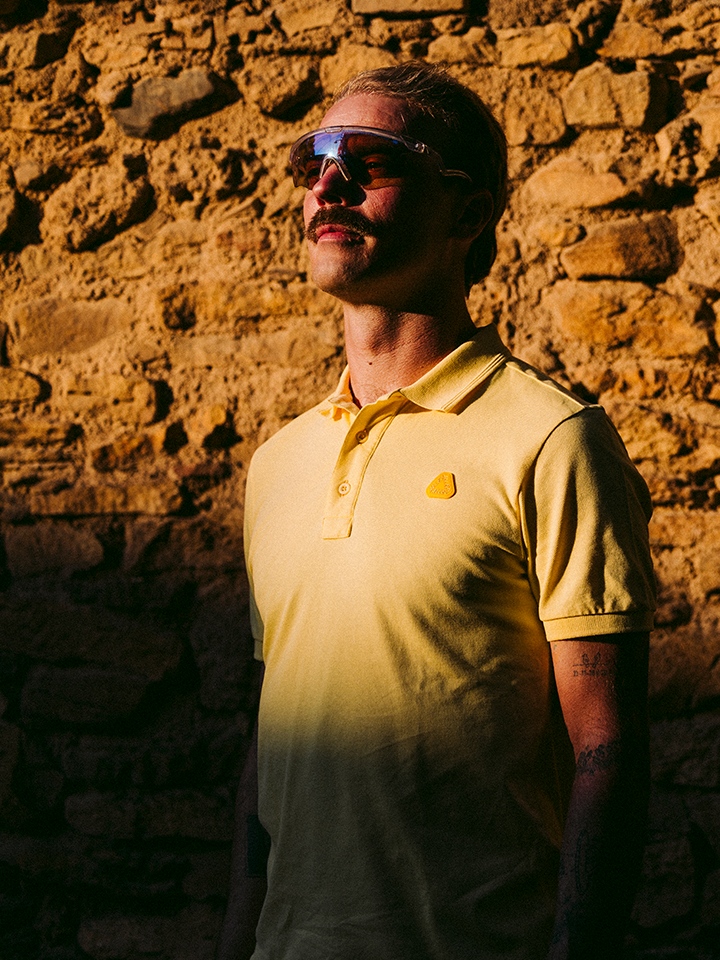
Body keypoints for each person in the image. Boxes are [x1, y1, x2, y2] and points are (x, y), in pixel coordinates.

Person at [217, 61, 656, 960]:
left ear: (468, 212)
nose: (328, 185)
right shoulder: (278, 464)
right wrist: (236, 936)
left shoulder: (551, 439)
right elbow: (275, 737)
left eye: (370, 160)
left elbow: (606, 752)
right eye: (313, 162)